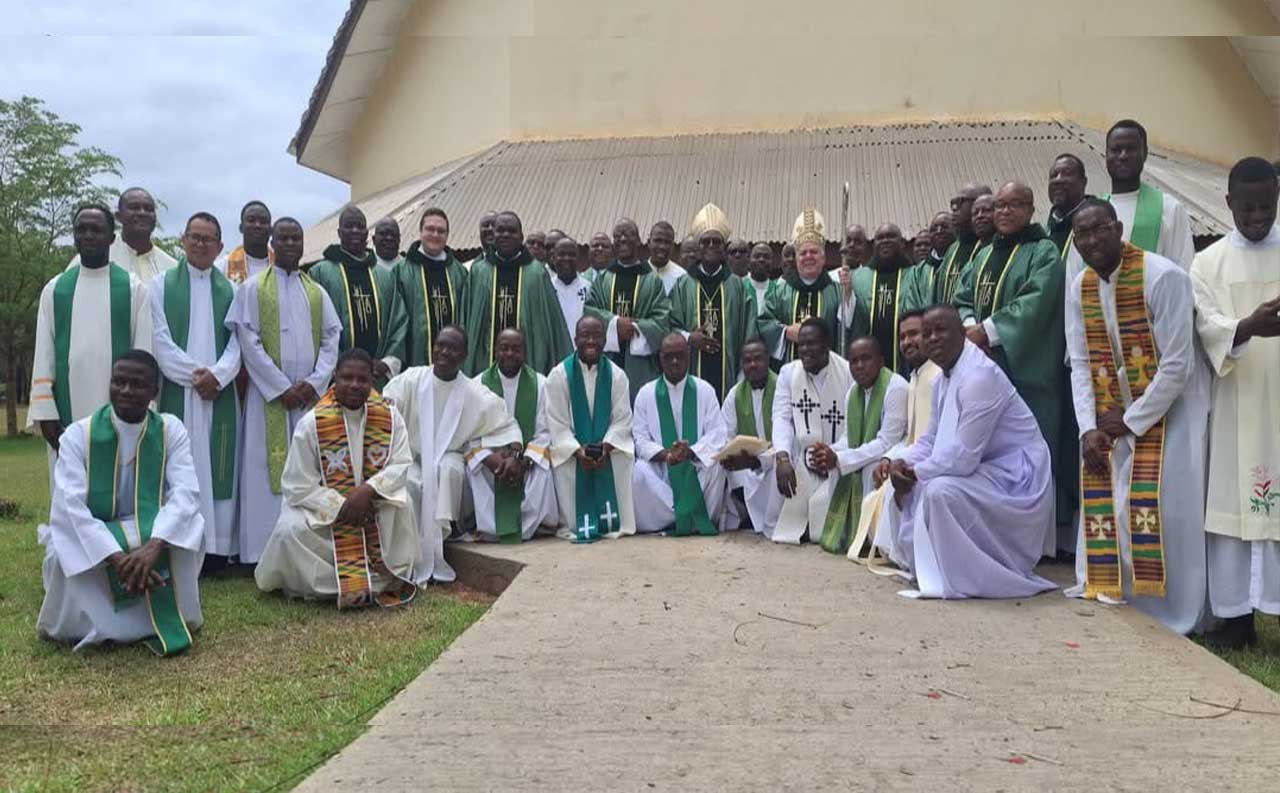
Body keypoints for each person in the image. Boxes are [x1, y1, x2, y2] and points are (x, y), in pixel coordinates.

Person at [1065, 198, 1209, 634]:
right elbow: (1081, 362)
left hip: (1172, 410)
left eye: (1099, 229)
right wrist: (1088, 428)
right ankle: (1115, 590)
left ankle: (1176, 611)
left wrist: (1131, 420)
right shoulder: (1081, 287)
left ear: (1118, 227)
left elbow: (1179, 364)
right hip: (1111, 415)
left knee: (1163, 508)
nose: (1091, 240)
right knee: (1109, 497)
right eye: (1082, 235)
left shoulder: (1163, 276)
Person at [875, 306, 1056, 599]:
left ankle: (965, 576)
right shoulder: (942, 380)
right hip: (984, 469)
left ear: (962, 333)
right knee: (900, 485)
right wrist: (900, 462)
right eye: (927, 333)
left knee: (938, 491)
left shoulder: (979, 376)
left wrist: (914, 473)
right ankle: (930, 567)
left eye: (941, 331)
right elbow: (930, 442)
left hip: (1017, 477)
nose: (932, 338)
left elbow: (963, 457)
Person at [36, 351, 204, 654]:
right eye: (119, 382)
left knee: (186, 539)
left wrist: (154, 546)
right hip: (94, 534)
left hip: (151, 530)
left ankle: (164, 615)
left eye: (137, 384)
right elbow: (70, 506)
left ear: (154, 392)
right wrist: (115, 556)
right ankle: (89, 626)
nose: (125, 390)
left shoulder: (170, 430)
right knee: (65, 557)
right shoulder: (78, 436)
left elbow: (186, 493)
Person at [1191, 156, 1280, 647]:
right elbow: (1206, 325)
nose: (1257, 216)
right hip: (1235, 402)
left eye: (1266, 206)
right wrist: (1249, 326)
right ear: (1228, 203)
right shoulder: (1207, 263)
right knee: (1231, 508)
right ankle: (1237, 619)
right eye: (1246, 209)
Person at [954, 182, 1067, 557]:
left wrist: (986, 331)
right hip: (983, 365)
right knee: (988, 451)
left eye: (1013, 205)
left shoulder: (1043, 251)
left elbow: (1037, 301)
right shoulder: (985, 254)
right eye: (999, 206)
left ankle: (1034, 544)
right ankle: (993, 536)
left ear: (1031, 209)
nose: (1004, 212)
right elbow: (962, 296)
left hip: (1025, 371)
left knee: (1027, 454)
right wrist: (969, 323)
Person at [255, 349, 418, 606]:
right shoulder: (312, 422)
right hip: (326, 511)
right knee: (290, 531)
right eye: (347, 377)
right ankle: (343, 584)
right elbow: (297, 485)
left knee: (403, 508)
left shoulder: (390, 416)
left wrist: (368, 491)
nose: (354, 385)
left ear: (372, 382)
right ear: (334, 378)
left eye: (362, 379)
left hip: (374, 502)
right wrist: (341, 505)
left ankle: (379, 579)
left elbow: (401, 463)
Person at [228, 217, 342, 565]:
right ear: (273, 243)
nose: (291, 244)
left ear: (303, 244)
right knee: (264, 473)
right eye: (285, 238)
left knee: (308, 470)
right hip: (268, 402)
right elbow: (248, 340)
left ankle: (304, 546)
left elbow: (331, 339)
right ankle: (259, 552)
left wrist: (314, 383)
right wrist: (280, 388)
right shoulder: (252, 288)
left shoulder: (316, 292)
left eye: (297, 238)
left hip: (307, 401)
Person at [382, 326, 522, 582]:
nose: (444, 351)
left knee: (448, 470)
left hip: (449, 456)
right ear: (433, 346)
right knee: (411, 482)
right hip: (412, 458)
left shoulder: (473, 393)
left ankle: (442, 543)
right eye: (440, 345)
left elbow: (507, 423)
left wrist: (514, 453)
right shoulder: (411, 380)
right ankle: (411, 557)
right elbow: (386, 406)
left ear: (464, 354)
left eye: (453, 348)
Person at [29, 203, 152, 487]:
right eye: (81, 229)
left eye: (96, 229)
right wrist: (46, 416)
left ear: (112, 237)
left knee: (120, 499)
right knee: (71, 500)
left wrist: (140, 416)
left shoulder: (133, 290)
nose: (88, 235)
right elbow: (43, 356)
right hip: (66, 418)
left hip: (124, 417)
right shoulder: (56, 289)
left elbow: (144, 355)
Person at [150, 212, 241, 571]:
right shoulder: (159, 285)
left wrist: (218, 376)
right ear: (183, 240)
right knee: (180, 468)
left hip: (218, 396)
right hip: (180, 394)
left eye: (209, 239)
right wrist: (196, 376)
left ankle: (216, 551)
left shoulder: (231, 290)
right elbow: (160, 340)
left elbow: (238, 343)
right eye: (195, 237)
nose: (201, 244)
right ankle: (179, 546)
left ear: (220, 247)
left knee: (218, 469)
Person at [853, 309, 941, 564]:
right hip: (915, 457)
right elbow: (911, 436)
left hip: (931, 465)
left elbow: (931, 440)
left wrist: (900, 462)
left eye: (914, 334)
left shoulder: (936, 376)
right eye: (902, 336)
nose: (907, 342)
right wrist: (890, 458)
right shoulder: (916, 377)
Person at [808, 336, 907, 555]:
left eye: (866, 359)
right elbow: (849, 438)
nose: (859, 366)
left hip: (894, 454)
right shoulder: (854, 391)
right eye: (853, 361)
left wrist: (842, 459)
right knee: (838, 467)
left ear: (881, 361)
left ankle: (873, 541)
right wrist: (829, 452)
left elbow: (887, 441)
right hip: (870, 451)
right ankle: (849, 534)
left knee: (868, 469)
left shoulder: (896, 387)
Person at [545, 315, 636, 541]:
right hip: (573, 452)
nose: (591, 341)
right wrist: (577, 451)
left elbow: (622, 419)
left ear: (605, 340)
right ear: (576, 339)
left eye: (597, 336)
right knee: (563, 463)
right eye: (585, 335)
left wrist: (605, 448)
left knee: (623, 459)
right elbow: (557, 423)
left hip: (607, 450)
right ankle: (576, 523)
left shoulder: (616, 376)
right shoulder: (559, 375)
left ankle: (613, 522)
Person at [467, 329, 559, 542]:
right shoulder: (477, 385)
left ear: (525, 352)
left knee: (543, 468)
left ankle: (532, 525)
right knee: (475, 469)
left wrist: (522, 461)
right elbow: (470, 434)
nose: (509, 353)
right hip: (492, 461)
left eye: (516, 349)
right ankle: (486, 526)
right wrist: (491, 459)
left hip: (525, 460)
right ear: (495, 350)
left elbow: (544, 431)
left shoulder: (541, 384)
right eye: (504, 348)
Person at [632, 334, 729, 534]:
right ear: (660, 358)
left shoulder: (705, 390)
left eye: (679, 356)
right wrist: (667, 455)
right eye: (668, 357)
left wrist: (691, 452)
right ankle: (686, 516)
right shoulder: (645, 394)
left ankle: (688, 516)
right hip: (662, 472)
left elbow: (717, 434)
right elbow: (640, 439)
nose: (674, 361)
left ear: (688, 356)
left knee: (717, 464)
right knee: (640, 470)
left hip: (695, 467)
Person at [770, 318, 854, 544]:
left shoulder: (847, 372)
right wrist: (782, 457)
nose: (805, 350)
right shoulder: (788, 373)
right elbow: (781, 417)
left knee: (823, 530)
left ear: (827, 344)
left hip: (836, 460)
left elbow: (854, 426)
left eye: (811, 344)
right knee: (774, 468)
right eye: (801, 345)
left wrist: (833, 454)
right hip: (800, 458)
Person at [459, 210, 571, 376]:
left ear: (521, 237)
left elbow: (551, 324)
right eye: (500, 230)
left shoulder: (536, 274)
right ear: (493, 235)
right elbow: (467, 323)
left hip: (529, 368)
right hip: (484, 369)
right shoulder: (479, 272)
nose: (505, 235)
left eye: (511, 231)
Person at [308, 206, 407, 388]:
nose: (355, 231)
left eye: (360, 226)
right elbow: (315, 326)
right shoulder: (321, 273)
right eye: (349, 226)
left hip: (377, 377)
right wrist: (341, 364)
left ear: (367, 233)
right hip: (338, 376)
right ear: (339, 232)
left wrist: (386, 362)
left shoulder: (383, 276)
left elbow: (398, 322)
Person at [669, 205, 758, 400]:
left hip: (729, 378)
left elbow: (749, 332)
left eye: (716, 241)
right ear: (698, 247)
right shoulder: (683, 285)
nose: (710, 245)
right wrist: (689, 337)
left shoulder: (738, 286)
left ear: (724, 248)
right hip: (690, 371)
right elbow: (669, 325)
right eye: (705, 241)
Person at [584, 217, 672, 402]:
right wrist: (615, 324)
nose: (623, 239)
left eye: (628, 234)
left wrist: (635, 327)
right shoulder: (604, 279)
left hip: (641, 367)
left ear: (639, 240)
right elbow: (589, 310)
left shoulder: (652, 281)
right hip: (607, 360)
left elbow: (662, 322)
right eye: (618, 236)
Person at [1100, 119, 1195, 276]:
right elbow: (1073, 280)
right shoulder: (1091, 215)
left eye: (1131, 149)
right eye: (1116, 150)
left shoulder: (1169, 208)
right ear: (1106, 155)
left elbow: (1185, 272)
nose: (1123, 156)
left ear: (1145, 154)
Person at [760, 209, 851, 365]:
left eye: (814, 252)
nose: (808, 257)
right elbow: (764, 322)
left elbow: (848, 327)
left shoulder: (836, 291)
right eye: (803, 253)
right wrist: (786, 331)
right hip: (790, 373)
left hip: (827, 374)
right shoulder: (780, 290)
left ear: (823, 258)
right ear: (796, 259)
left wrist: (848, 294)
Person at [391, 207, 470, 368]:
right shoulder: (402, 271)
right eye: (430, 229)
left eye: (441, 231)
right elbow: (396, 321)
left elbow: (465, 318)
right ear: (420, 232)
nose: (435, 235)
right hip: (415, 360)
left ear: (447, 236)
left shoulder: (458, 272)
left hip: (453, 363)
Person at [720, 339, 781, 535]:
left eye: (757, 359)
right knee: (722, 468)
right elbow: (725, 433)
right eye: (747, 361)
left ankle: (772, 519)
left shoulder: (782, 387)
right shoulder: (735, 394)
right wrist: (736, 456)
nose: (752, 365)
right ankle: (746, 516)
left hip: (775, 457)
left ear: (768, 360)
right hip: (746, 463)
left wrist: (760, 459)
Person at [68, 187, 177, 281]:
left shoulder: (172, 268)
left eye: (148, 209)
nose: (142, 213)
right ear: (118, 216)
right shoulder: (91, 260)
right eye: (134, 207)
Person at [850, 223, 916, 372]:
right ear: (873, 245)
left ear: (902, 243)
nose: (885, 240)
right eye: (880, 238)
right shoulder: (858, 278)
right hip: (866, 367)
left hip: (906, 363)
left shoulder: (915, 275)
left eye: (891, 236)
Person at [1046, 153, 1090, 283]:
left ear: (1083, 182)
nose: (1058, 180)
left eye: (1067, 174)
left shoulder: (1094, 228)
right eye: (1054, 175)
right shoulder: (1043, 231)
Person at [904, 211, 954, 308]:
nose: (939, 231)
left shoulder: (961, 262)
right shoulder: (919, 271)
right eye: (934, 229)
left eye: (944, 227)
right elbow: (912, 303)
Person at [217, 200, 273, 285]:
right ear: (241, 228)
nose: (257, 225)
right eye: (251, 220)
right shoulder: (222, 267)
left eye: (263, 221)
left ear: (271, 230)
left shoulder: (281, 266)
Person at [549, 236, 590, 345]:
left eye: (572, 254)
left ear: (578, 258)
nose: (566, 258)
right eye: (561, 254)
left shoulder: (589, 288)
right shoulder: (546, 288)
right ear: (553, 258)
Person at [647, 220, 685, 295]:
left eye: (667, 242)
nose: (662, 247)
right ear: (648, 243)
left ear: (673, 246)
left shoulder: (681, 277)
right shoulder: (638, 273)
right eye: (658, 240)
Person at [746, 243, 776, 315]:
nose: (761, 259)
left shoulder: (777, 290)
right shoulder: (740, 288)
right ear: (749, 261)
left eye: (766, 257)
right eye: (757, 256)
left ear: (772, 262)